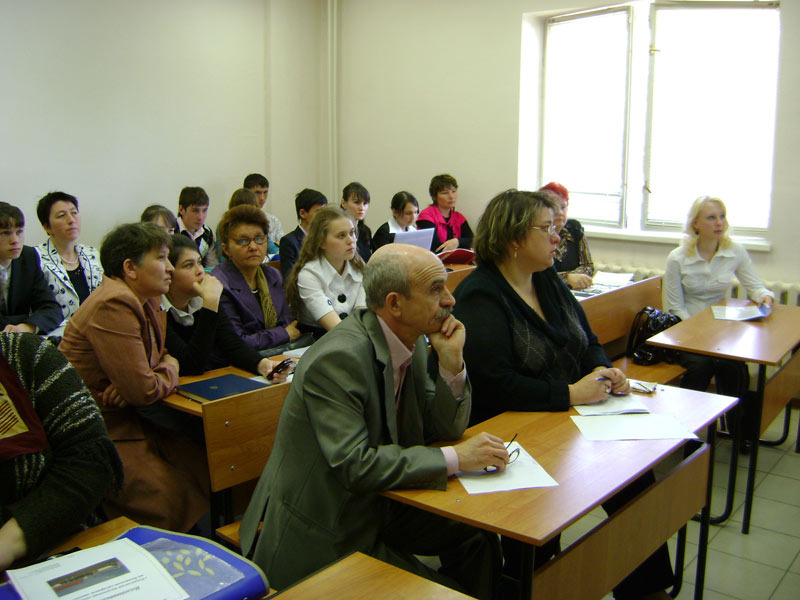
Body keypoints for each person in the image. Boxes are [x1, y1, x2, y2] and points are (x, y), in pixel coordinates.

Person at [239, 243, 508, 598]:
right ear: (395, 304)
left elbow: (445, 428)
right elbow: (355, 464)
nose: (450, 300)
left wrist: (451, 362)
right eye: (435, 289)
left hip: (380, 502)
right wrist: (456, 458)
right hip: (327, 525)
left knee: (478, 536)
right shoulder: (339, 358)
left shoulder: (413, 340)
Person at [453, 189, 674, 600]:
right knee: (543, 519)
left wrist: (603, 370)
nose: (558, 238)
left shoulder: (547, 281)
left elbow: (587, 340)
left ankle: (646, 589)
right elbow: (494, 384)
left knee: (633, 480)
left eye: (557, 229)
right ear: (514, 238)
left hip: (565, 417)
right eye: (547, 229)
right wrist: (571, 393)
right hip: (512, 428)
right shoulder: (481, 294)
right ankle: (534, 584)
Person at [59, 222, 209, 532]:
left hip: (134, 415)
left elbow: (154, 363)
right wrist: (169, 367)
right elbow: (144, 387)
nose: (170, 268)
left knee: (204, 461)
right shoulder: (113, 302)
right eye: (161, 258)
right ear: (130, 268)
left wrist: (150, 372)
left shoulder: (147, 297)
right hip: (99, 429)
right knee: (166, 495)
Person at [0, 332, 122, 570]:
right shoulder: (113, 311)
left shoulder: (25, 355)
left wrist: (9, 542)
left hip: (57, 544)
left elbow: (91, 460)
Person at [664, 196, 773, 394]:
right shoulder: (677, 258)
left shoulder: (735, 251)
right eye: (711, 217)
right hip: (686, 331)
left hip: (721, 331)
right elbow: (675, 308)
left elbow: (755, 287)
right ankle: (689, 411)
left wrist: (764, 296)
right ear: (695, 223)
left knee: (733, 367)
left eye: (722, 216)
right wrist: (700, 332)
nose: (719, 223)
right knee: (701, 366)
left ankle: (735, 414)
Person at [164, 234, 288, 379]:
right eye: (188, 265)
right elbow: (192, 364)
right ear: (169, 273)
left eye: (199, 262)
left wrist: (262, 364)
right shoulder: (159, 312)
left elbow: (231, 343)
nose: (200, 271)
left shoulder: (201, 300)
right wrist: (210, 305)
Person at [212, 205, 300, 355]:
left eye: (259, 239)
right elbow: (238, 342)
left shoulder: (272, 275)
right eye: (243, 241)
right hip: (237, 362)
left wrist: (281, 333)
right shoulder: (219, 283)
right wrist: (282, 334)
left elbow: (288, 323)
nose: (253, 247)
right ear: (226, 249)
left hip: (278, 355)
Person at [285, 206, 366, 338]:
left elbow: (363, 316)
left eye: (352, 233)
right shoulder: (309, 275)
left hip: (355, 336)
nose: (351, 240)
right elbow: (336, 328)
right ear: (322, 242)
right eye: (341, 236)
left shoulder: (359, 266)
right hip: (318, 340)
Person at [35, 191, 103, 337]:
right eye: (61, 216)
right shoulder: (36, 259)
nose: (71, 220)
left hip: (97, 332)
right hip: (57, 338)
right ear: (47, 227)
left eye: (74, 213)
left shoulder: (93, 254)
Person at [0, 203, 62, 335]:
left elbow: (52, 309)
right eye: (5, 233)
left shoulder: (28, 257)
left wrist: (28, 326)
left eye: (19, 232)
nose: (15, 240)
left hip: (20, 340)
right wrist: (21, 318)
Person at [540, 181, 594, 290]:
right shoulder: (538, 234)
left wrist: (576, 278)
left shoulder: (574, 228)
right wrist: (566, 278)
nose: (560, 213)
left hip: (574, 291)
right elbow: (535, 277)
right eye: (555, 208)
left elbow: (588, 266)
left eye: (563, 207)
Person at [278, 188, 328, 279]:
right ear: (302, 213)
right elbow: (290, 278)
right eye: (319, 212)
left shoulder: (325, 239)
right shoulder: (289, 242)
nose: (324, 217)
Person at [416, 174, 473, 252]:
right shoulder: (426, 216)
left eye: (453, 191)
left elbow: (473, 241)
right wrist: (465, 247)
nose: (451, 197)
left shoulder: (459, 217)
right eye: (445, 193)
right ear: (434, 197)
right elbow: (436, 247)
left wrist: (457, 242)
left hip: (456, 258)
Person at [177, 186, 218, 268]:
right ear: (181, 210)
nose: (200, 217)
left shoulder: (207, 233)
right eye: (195, 211)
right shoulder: (170, 231)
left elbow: (212, 266)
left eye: (204, 210)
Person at [243, 173, 284, 247]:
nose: (262, 198)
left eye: (265, 192)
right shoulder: (236, 221)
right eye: (257, 193)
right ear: (247, 193)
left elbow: (283, 244)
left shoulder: (273, 220)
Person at [340, 181, 372, 262]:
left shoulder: (366, 231)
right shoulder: (337, 231)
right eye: (357, 202)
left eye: (365, 203)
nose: (362, 208)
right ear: (343, 203)